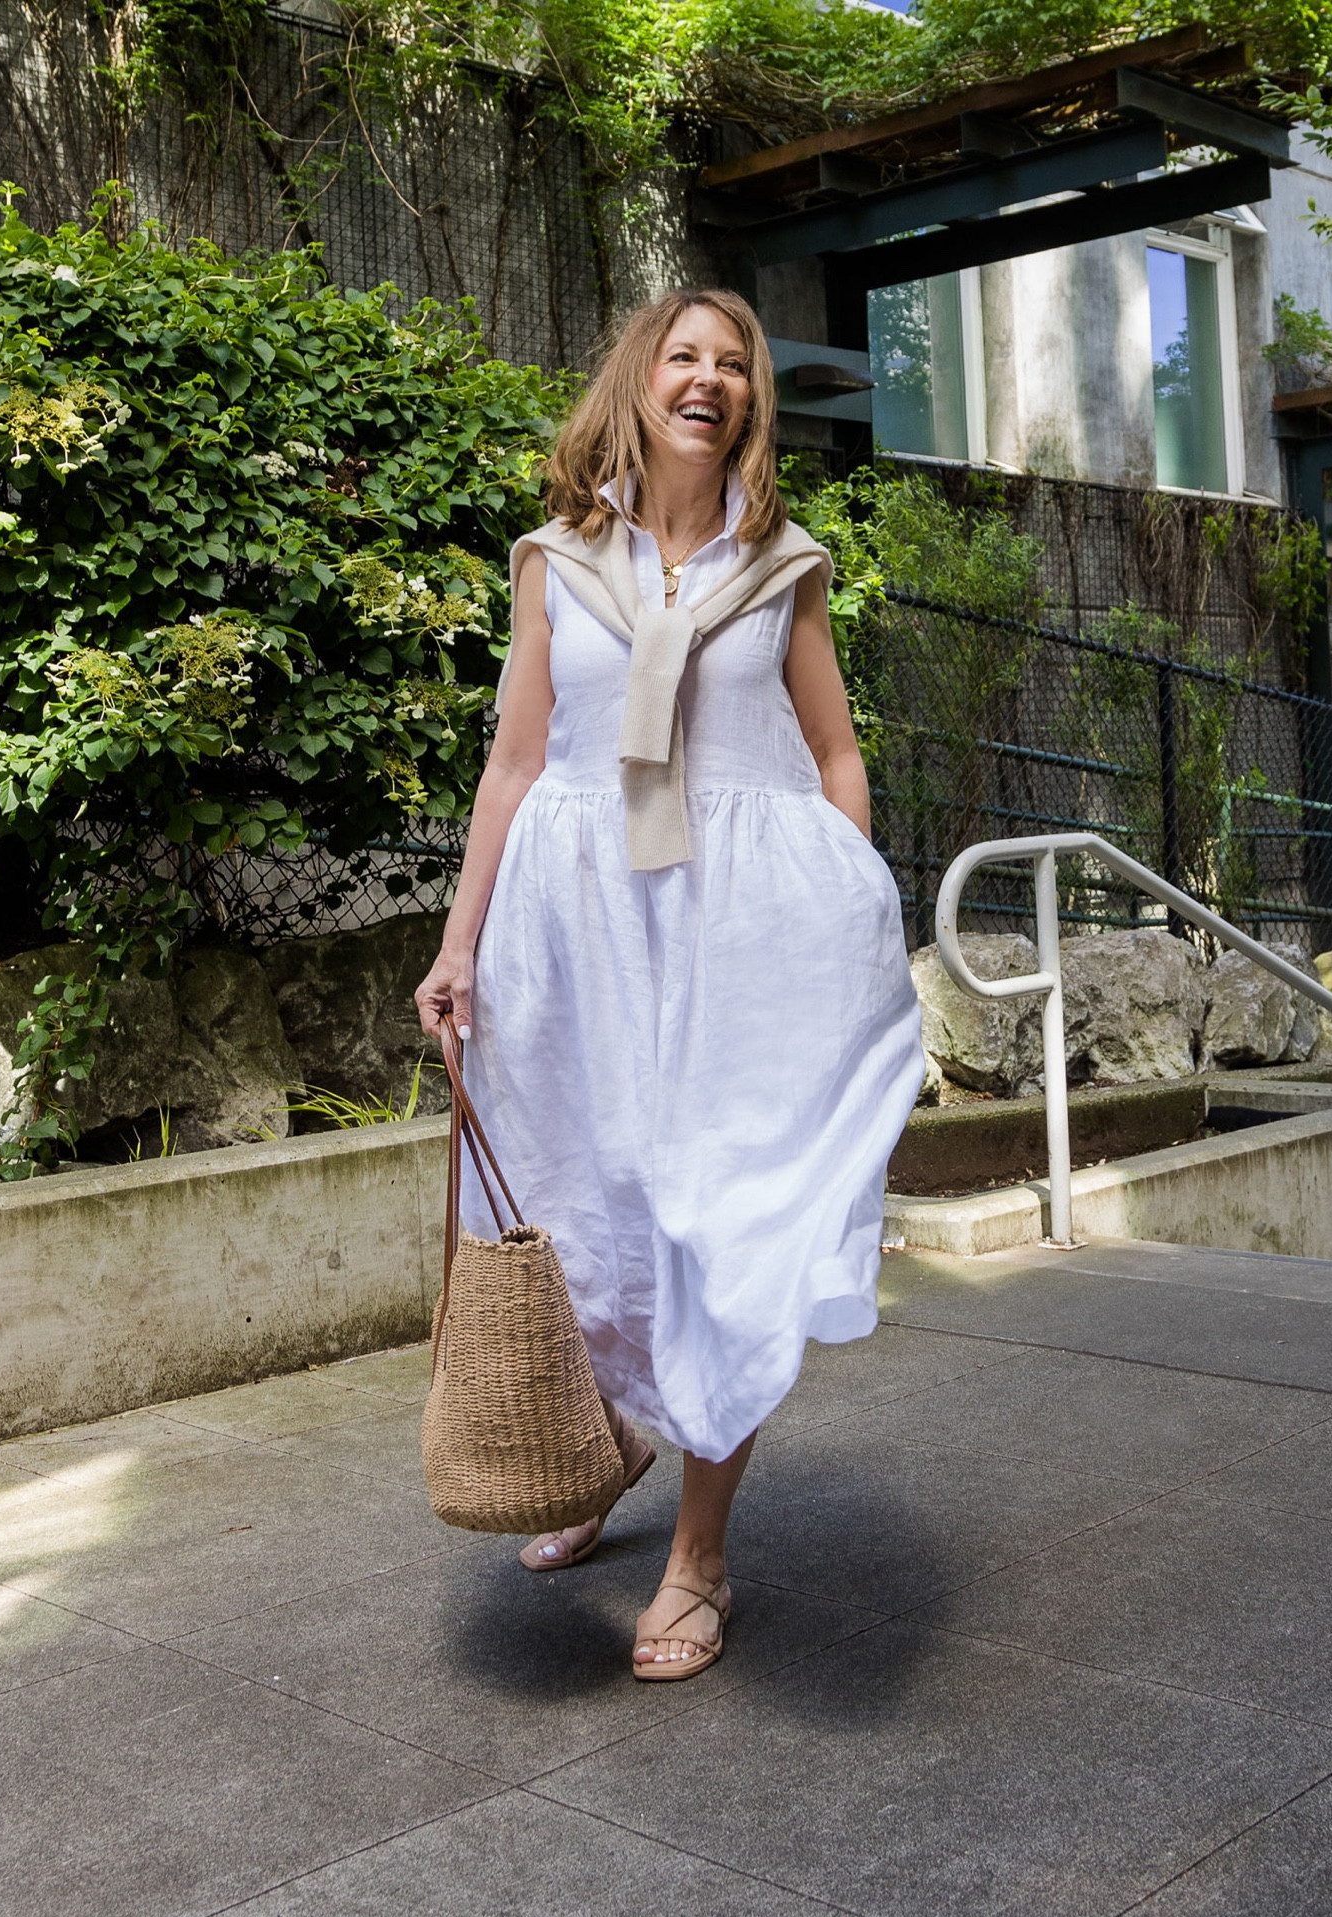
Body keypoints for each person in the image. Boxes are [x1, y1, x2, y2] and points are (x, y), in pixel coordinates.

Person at [414, 288, 923, 1681]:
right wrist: (459, 944)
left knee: (717, 1232)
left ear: (752, 400)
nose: (709, 380)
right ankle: (606, 1442)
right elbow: (516, 764)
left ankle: (698, 1559)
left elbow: (832, 758)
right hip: (572, 935)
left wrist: (845, 923)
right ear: (637, 380)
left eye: (734, 365)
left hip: (737, 943)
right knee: (586, 1211)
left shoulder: (783, 564)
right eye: (684, 357)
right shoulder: (553, 559)